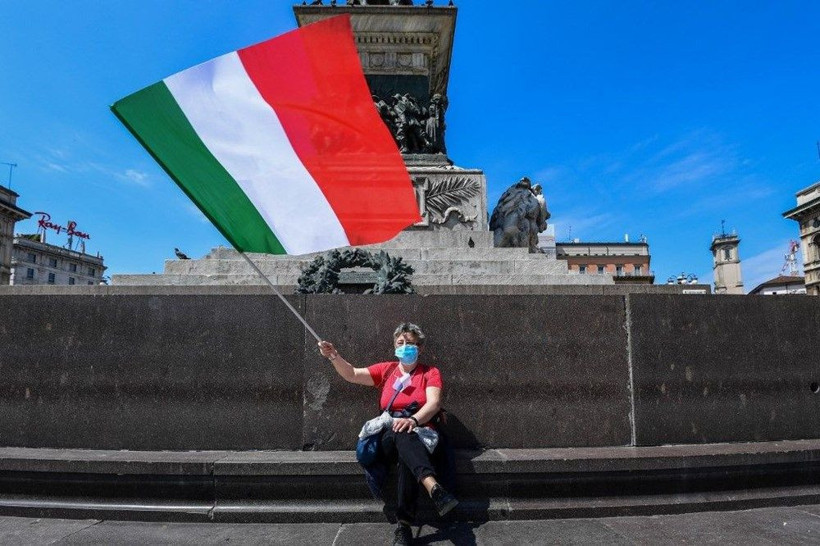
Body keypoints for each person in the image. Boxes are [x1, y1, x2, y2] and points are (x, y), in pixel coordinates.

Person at [318, 323, 458, 545]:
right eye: (400, 343)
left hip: (421, 433)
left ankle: (403, 527)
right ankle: (434, 488)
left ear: (420, 348)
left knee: (405, 444)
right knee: (399, 430)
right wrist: (334, 356)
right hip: (388, 438)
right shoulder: (387, 371)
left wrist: (412, 420)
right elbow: (352, 374)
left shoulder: (430, 373)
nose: (405, 347)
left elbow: (434, 403)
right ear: (394, 347)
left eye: (410, 343)